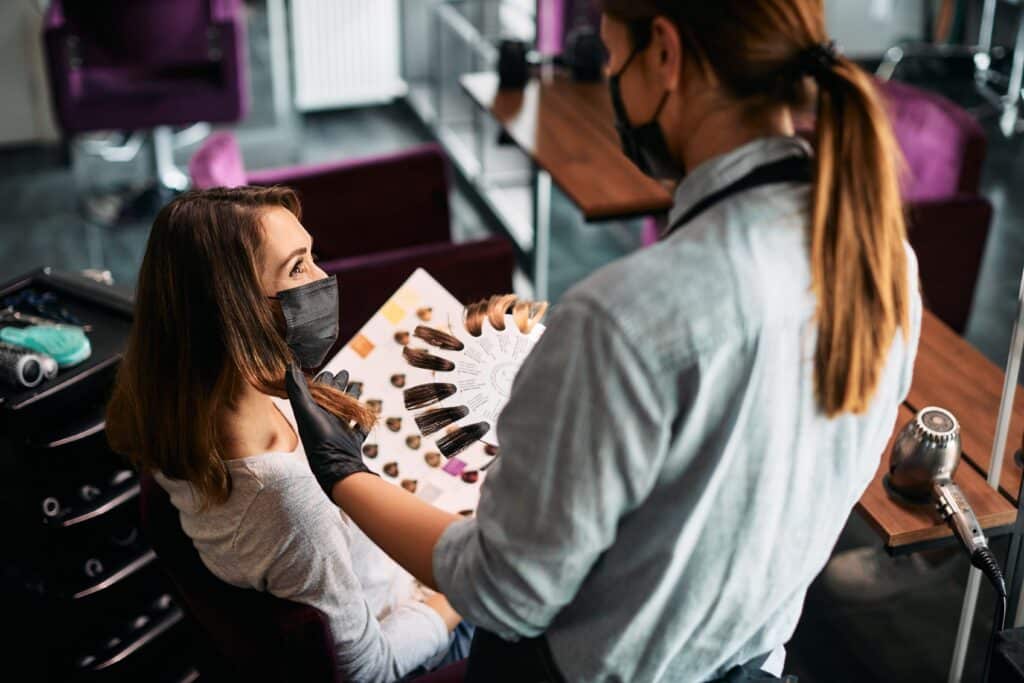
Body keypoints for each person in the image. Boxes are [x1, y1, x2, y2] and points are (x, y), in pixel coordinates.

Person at [285, 1, 923, 681]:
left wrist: (345, 475)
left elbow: (503, 592)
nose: (611, 80)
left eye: (615, 58)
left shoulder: (623, 316)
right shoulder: (887, 263)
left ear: (666, 54)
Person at [106, 186, 470, 682]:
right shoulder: (289, 501)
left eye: (313, 257)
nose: (325, 279)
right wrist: (455, 595)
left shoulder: (175, 407)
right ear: (232, 309)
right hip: (423, 634)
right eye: (298, 268)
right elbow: (370, 670)